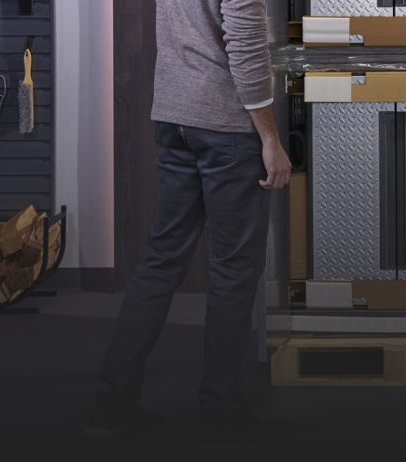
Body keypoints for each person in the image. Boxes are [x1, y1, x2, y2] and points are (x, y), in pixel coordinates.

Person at [84, 0, 293, 451]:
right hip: (225, 126)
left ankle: (112, 402)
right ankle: (222, 414)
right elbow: (247, 48)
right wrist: (271, 139)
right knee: (234, 272)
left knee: (161, 260)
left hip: (174, 117)